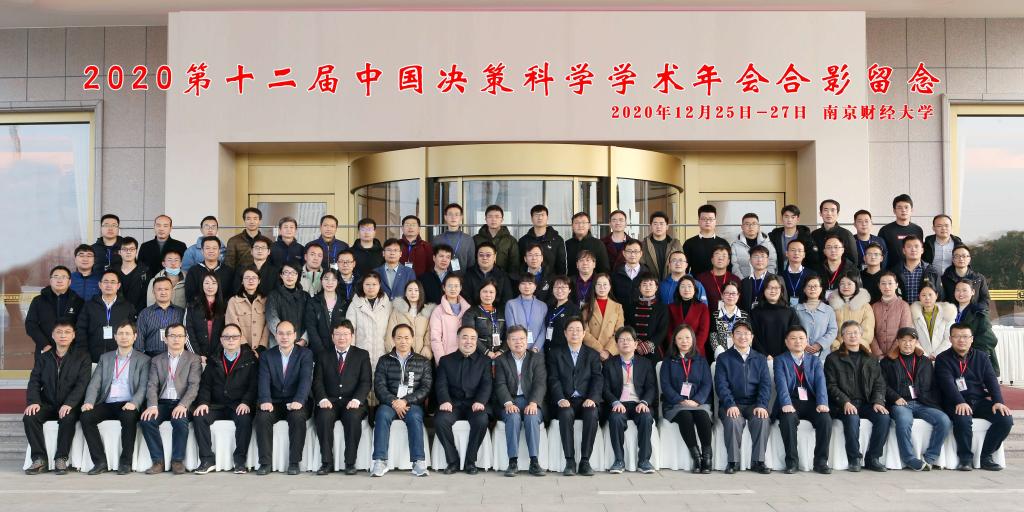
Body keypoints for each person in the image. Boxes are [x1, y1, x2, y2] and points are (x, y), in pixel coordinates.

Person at [935, 323, 1014, 471]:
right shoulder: (942, 358)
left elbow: (991, 380)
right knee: (963, 418)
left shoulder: (982, 357)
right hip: (954, 402)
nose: (961, 340)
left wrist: (998, 401)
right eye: (957, 336)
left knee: (1005, 419)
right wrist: (959, 401)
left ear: (971, 339)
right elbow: (947, 384)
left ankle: (986, 457)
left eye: (965, 336)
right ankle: (965, 459)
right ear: (950, 339)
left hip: (978, 401)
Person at [79, 321, 150, 475]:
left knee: (129, 418)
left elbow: (144, 386)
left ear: (135, 337)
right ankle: (100, 462)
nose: (124, 337)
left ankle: (125, 462)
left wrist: (134, 403)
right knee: (86, 417)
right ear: (115, 337)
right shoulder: (105, 358)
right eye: (120, 334)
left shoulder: (144, 360)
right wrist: (89, 402)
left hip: (128, 403)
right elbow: (95, 383)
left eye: (128, 334)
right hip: (108, 402)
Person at [22, 320, 91, 475]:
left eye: (67, 332)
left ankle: (61, 458)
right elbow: (34, 381)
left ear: (73, 335)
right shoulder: (44, 357)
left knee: (68, 417)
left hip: (70, 405)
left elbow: (82, 384)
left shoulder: (82, 357)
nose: (63, 335)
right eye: (59, 332)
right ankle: (39, 458)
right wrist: (34, 402)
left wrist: (70, 403)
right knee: (30, 417)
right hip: (47, 403)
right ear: (53, 335)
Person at [191, 323, 259, 474]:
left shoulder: (250, 359)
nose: (231, 340)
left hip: (238, 405)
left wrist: (246, 402)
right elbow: (206, 385)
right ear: (221, 340)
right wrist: (203, 403)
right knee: (199, 416)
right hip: (217, 405)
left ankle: (240, 461)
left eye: (234, 337)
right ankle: (207, 460)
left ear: (240, 339)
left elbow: (254, 385)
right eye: (227, 337)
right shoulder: (214, 359)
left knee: (245, 419)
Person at [824, 320, 891, 472]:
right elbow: (830, 385)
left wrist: (878, 401)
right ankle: (854, 458)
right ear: (842, 337)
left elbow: (879, 383)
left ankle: (873, 458)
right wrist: (845, 402)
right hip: (843, 404)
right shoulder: (833, 358)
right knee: (852, 417)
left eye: (855, 332)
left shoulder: (871, 358)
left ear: (861, 335)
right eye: (848, 333)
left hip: (867, 403)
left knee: (884, 417)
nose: (853, 336)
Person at [881, 327, 951, 471]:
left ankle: (930, 457)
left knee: (944, 420)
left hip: (923, 403)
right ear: (897, 342)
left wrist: (931, 401)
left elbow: (934, 384)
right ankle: (909, 458)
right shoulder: (887, 362)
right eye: (903, 340)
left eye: (911, 340)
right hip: (901, 403)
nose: (907, 344)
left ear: (916, 342)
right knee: (904, 421)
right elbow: (882, 384)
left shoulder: (924, 361)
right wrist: (895, 397)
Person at [371, 323, 434, 477]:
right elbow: (379, 386)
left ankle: (418, 462)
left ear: (412, 339)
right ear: (393, 339)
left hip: (412, 404)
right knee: (382, 415)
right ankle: (380, 461)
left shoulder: (423, 361)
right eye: (399, 338)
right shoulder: (384, 360)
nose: (403, 341)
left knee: (415, 416)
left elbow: (425, 388)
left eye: (406, 338)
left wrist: (405, 401)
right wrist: (394, 401)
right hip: (389, 403)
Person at [138, 322, 201, 475]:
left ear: (185, 339)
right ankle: (158, 462)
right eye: (172, 336)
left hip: (182, 402)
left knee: (180, 420)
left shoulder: (193, 359)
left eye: (180, 336)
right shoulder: (156, 360)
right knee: (147, 420)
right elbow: (152, 385)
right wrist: (152, 406)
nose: (176, 339)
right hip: (162, 403)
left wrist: (183, 405)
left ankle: (177, 461)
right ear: (165, 339)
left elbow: (194, 386)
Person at [312, 321, 372, 475]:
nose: (341, 338)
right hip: (329, 401)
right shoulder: (323, 355)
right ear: (332, 337)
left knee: (353, 418)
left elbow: (366, 382)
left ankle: (350, 463)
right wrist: (322, 399)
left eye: (345, 334)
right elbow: (317, 381)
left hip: (352, 402)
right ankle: (326, 463)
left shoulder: (362, 355)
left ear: (352, 336)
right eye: (338, 334)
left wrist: (357, 399)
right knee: (323, 417)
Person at [254, 320, 314, 475]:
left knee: (297, 417)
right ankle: (265, 463)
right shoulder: (267, 355)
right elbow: (263, 380)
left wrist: (299, 400)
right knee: (262, 417)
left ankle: (294, 462)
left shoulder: (305, 354)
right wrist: (265, 400)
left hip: (296, 401)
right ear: (275, 335)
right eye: (281, 333)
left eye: (288, 333)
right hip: (274, 402)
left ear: (295, 335)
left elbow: (306, 379)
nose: (284, 337)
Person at [547, 316, 603, 476]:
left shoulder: (592, 354)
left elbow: (597, 379)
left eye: (578, 330)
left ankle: (585, 461)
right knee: (565, 413)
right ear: (565, 333)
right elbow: (553, 379)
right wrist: (560, 398)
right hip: (566, 400)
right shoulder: (555, 353)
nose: (575, 333)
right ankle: (570, 461)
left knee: (592, 413)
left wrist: (592, 398)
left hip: (586, 399)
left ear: (584, 333)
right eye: (571, 330)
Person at [715, 320, 772, 474]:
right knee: (733, 420)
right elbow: (721, 385)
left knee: (762, 419)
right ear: (732, 336)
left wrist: (762, 405)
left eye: (746, 333)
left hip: (754, 404)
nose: (743, 337)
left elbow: (765, 385)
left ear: (752, 337)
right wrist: (730, 404)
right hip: (732, 403)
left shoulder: (760, 358)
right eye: (738, 333)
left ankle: (758, 461)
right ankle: (733, 462)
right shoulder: (723, 358)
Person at [774, 326, 832, 474]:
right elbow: (781, 384)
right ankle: (792, 462)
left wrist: (822, 403)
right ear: (786, 342)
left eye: (801, 338)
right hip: (791, 401)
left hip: (811, 403)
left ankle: (821, 462)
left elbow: (821, 383)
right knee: (787, 419)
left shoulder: (815, 361)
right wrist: (786, 403)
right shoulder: (780, 360)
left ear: (806, 341)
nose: (798, 341)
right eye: (793, 338)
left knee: (825, 419)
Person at [434, 326, 493, 475]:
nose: (469, 341)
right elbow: (441, 384)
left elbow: (487, 384)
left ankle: (470, 461)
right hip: (452, 404)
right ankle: (452, 461)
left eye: (473, 338)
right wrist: (445, 400)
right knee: (440, 420)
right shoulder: (446, 360)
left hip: (474, 404)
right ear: (458, 339)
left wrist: (480, 401)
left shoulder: (484, 361)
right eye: (465, 337)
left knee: (481, 420)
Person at [602, 327, 657, 473]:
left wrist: (644, 402)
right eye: (621, 340)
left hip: (639, 403)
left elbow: (651, 387)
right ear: (616, 344)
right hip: (619, 404)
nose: (625, 342)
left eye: (629, 340)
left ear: (635, 343)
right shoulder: (609, 364)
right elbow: (605, 389)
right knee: (615, 418)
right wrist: (615, 402)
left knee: (646, 417)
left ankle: (644, 461)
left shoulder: (645, 363)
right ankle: (619, 460)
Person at [661, 323, 714, 473]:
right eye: (680, 338)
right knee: (685, 416)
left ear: (693, 339)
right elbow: (665, 385)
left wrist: (697, 400)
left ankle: (707, 457)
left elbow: (707, 384)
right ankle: (696, 457)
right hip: (676, 404)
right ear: (674, 341)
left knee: (702, 416)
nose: (684, 341)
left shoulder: (701, 360)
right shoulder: (668, 361)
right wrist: (680, 400)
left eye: (687, 337)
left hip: (699, 403)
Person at [495, 326, 547, 477]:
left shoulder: (536, 358)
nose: (518, 342)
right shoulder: (501, 360)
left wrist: (534, 402)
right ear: (508, 342)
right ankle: (513, 462)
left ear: (527, 340)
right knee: (512, 417)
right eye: (514, 339)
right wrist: (508, 403)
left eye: (521, 339)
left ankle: (534, 462)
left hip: (530, 400)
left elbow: (540, 383)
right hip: (511, 400)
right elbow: (500, 384)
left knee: (532, 417)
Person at [77, 270, 137, 363]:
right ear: (100, 285)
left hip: (120, 358)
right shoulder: (89, 306)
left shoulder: (127, 307)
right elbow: (81, 330)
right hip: (93, 357)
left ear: (118, 286)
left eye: (113, 282)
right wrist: (84, 354)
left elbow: (133, 331)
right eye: (105, 281)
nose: (109, 285)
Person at [26, 266, 83, 357]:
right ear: (51, 280)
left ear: (69, 282)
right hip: (45, 350)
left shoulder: (78, 302)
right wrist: (45, 344)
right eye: (56, 277)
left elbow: (81, 327)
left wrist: (72, 346)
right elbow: (30, 325)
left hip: (71, 351)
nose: (59, 280)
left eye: (63, 277)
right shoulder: (38, 301)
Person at [951, 280, 1000, 376]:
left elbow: (990, 339)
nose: (961, 293)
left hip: (975, 363)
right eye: (957, 290)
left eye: (964, 290)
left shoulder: (979, 312)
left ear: (973, 292)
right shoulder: (949, 311)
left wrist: (968, 353)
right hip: (953, 360)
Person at [749, 275, 800, 358]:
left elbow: (795, 335)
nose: (773, 291)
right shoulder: (755, 312)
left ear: (781, 290)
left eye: (776, 288)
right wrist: (765, 355)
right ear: (764, 290)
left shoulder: (790, 311)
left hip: (786, 357)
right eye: (769, 288)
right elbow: (752, 336)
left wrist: (784, 355)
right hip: (761, 357)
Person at [136, 277, 186, 358]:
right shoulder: (145, 313)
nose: (163, 292)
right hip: (151, 358)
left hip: (177, 357)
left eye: (166, 289)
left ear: (172, 291)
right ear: (153, 292)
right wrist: (140, 359)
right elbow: (139, 339)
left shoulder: (181, 312)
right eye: (159, 289)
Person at [384, 280, 434, 361]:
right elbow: (390, 334)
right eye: (410, 290)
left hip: (420, 356)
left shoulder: (427, 312)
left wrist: (427, 346)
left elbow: (429, 333)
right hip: (400, 357)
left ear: (420, 293)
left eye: (416, 290)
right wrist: (394, 354)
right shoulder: (397, 311)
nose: (413, 293)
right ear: (405, 293)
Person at [429, 273, 472, 363]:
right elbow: (435, 339)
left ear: (460, 288)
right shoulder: (438, 311)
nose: (453, 289)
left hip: (467, 359)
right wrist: (442, 361)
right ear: (444, 288)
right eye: (449, 286)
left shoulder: (468, 309)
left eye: (456, 286)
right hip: (447, 358)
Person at [304, 269, 348, 356]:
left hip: (339, 350)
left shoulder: (344, 303)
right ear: (321, 280)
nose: (329, 282)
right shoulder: (313, 302)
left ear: (338, 282)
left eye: (333, 279)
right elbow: (311, 328)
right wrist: (321, 350)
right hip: (318, 351)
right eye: (326, 279)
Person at [828, 271, 875, 351]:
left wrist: (855, 344)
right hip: (836, 349)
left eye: (849, 284)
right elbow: (827, 328)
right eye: (842, 284)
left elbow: (868, 331)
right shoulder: (831, 305)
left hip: (859, 349)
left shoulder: (865, 306)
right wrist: (835, 345)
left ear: (856, 285)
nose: (845, 286)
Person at [626, 273, 668, 363]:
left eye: (651, 284)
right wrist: (636, 344)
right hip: (634, 349)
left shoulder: (662, 308)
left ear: (656, 287)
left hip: (654, 350)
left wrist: (647, 346)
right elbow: (628, 327)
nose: (647, 287)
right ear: (639, 288)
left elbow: (662, 331)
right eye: (644, 284)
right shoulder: (631, 307)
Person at [581, 274, 624, 363]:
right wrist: (600, 350)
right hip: (592, 351)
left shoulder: (617, 307)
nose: (602, 287)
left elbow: (619, 332)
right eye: (599, 284)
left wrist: (608, 350)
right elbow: (584, 332)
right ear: (594, 287)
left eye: (605, 284)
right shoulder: (586, 308)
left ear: (610, 287)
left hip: (612, 353)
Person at [794, 275, 839, 359]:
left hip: (823, 355)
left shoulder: (828, 310)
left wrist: (820, 344)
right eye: (809, 286)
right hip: (800, 353)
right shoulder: (796, 309)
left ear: (821, 289)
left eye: (815, 286)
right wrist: (803, 344)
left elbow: (833, 330)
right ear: (804, 289)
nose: (812, 289)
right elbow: (792, 330)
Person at [225, 267, 269, 353]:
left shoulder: (265, 301)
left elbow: (268, 325)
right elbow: (232, 325)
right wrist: (244, 345)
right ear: (242, 281)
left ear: (259, 281)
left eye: (254, 278)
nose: (250, 280)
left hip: (262, 350)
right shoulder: (234, 301)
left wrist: (262, 346)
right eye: (247, 278)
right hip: (240, 349)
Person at [266, 263, 308, 348]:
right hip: (278, 343)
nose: (290, 276)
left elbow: (310, 320)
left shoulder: (305, 296)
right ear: (281, 275)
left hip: (300, 344)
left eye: (293, 273)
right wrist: (285, 338)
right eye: (286, 272)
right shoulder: (273, 295)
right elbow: (272, 319)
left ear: (298, 275)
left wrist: (304, 339)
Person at [184, 274, 226, 359]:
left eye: (214, 283)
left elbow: (227, 332)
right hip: (196, 356)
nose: (210, 286)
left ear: (218, 285)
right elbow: (188, 332)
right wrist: (197, 355)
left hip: (219, 356)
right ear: (201, 285)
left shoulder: (225, 307)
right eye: (207, 283)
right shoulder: (192, 306)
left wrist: (217, 355)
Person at [667, 276, 710, 358]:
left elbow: (704, 331)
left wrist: (694, 349)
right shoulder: (671, 307)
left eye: (689, 286)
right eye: (683, 286)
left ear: (694, 289)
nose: (686, 289)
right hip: (675, 352)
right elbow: (669, 330)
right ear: (678, 290)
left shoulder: (702, 307)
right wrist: (676, 348)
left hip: (696, 351)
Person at [518, 204, 568, 275]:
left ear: (547, 217)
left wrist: (560, 280)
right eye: (536, 215)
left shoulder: (557, 240)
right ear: (532, 218)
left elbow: (561, 265)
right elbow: (520, 264)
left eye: (542, 215)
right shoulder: (523, 241)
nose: (540, 218)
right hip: (529, 280)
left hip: (551, 280)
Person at [871, 272, 913, 357]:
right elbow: (870, 333)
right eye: (883, 283)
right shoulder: (874, 307)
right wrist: (878, 353)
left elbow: (904, 333)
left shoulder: (904, 306)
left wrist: (891, 354)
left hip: (898, 355)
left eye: (890, 283)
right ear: (879, 286)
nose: (887, 286)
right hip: (876, 356)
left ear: (896, 285)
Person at [462, 280, 508, 358]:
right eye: (485, 291)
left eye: (491, 292)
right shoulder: (471, 312)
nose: (488, 295)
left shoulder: (502, 312)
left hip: (500, 356)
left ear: (496, 294)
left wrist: (501, 351)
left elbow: (509, 334)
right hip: (478, 356)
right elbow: (470, 335)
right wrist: (486, 352)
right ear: (479, 293)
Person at [878, 194, 924, 269]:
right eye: (899, 207)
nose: (903, 210)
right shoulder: (885, 230)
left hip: (914, 271)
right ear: (894, 211)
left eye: (906, 207)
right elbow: (880, 254)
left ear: (912, 210)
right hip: (891, 272)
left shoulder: (918, 230)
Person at [462, 241, 514, 307]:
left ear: (495, 256)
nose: (484, 258)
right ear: (477, 256)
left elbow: (507, 299)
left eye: (488, 255)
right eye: (481, 255)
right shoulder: (468, 274)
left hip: (497, 312)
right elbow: (466, 299)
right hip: (473, 311)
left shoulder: (502, 275)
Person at [184, 236, 234, 304]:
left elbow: (231, 294)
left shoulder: (228, 271)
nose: (211, 251)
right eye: (207, 248)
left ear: (219, 251)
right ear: (202, 251)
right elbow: (190, 295)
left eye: (214, 248)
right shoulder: (193, 271)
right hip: (199, 308)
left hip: (223, 308)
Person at [910, 282, 956, 357]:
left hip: (943, 356)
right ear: (919, 296)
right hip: (921, 357)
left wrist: (936, 355)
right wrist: (924, 355)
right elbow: (913, 338)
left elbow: (949, 338)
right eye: (923, 295)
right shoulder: (913, 314)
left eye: (930, 295)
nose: (927, 298)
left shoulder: (947, 312)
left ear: (936, 295)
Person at [768, 204, 819, 271]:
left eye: (793, 217)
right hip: (778, 273)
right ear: (781, 218)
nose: (789, 220)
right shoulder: (773, 236)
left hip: (800, 273)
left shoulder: (806, 237)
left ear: (798, 219)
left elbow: (813, 259)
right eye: (786, 216)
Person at [506, 273, 549, 352]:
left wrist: (536, 348)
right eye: (523, 283)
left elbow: (543, 330)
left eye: (530, 283)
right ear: (519, 286)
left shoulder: (542, 306)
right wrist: (521, 347)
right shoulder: (511, 304)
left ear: (535, 287)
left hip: (537, 350)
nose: (527, 286)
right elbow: (511, 328)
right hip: (517, 348)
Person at [683, 205, 730, 277]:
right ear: (698, 221)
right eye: (704, 219)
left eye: (711, 219)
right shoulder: (689, 243)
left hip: (719, 282)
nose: (707, 222)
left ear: (715, 221)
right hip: (696, 282)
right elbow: (684, 269)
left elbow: (729, 268)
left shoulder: (723, 243)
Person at [473, 205, 520, 275]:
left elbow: (514, 265)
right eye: (490, 216)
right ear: (485, 219)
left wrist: (508, 279)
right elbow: (473, 262)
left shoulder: (510, 240)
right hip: (480, 278)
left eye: (497, 216)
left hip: (503, 278)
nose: (493, 219)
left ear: (502, 219)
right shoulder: (476, 239)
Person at [941, 245, 991, 310]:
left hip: (974, 314)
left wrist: (974, 311)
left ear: (969, 259)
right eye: (957, 256)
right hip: (952, 314)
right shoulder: (945, 279)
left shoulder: (979, 278)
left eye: (964, 256)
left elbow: (985, 300)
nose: (961, 259)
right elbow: (942, 300)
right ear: (953, 259)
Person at [730, 212, 778, 279]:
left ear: (758, 226)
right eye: (747, 224)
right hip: (743, 282)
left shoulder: (768, 244)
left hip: (765, 282)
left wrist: (767, 280)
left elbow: (772, 264)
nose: (751, 227)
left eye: (754, 224)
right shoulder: (735, 245)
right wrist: (743, 282)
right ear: (742, 227)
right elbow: (734, 266)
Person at [810, 199, 857, 265]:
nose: (829, 213)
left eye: (832, 210)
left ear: (838, 214)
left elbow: (853, 261)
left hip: (841, 271)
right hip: (817, 271)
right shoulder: (814, 234)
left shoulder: (846, 234)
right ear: (820, 213)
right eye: (825, 210)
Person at [708, 281, 748, 359]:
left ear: (738, 295)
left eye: (733, 293)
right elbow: (713, 336)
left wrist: (742, 352)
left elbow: (748, 336)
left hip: (741, 356)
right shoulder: (715, 315)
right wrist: (720, 353)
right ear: (722, 295)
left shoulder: (744, 315)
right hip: (721, 356)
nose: (730, 296)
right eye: (727, 293)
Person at [898, 235, 943, 303]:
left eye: (916, 246)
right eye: (909, 246)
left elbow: (940, 296)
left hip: (924, 309)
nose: (913, 249)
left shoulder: (932, 272)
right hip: (902, 309)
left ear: (922, 250)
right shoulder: (895, 271)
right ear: (904, 251)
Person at [695, 245, 742, 310]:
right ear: (712, 260)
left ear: (728, 261)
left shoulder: (735, 279)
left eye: (724, 256)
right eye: (717, 255)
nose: (720, 258)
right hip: (706, 315)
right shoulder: (701, 278)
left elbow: (740, 303)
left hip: (730, 315)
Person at [543, 275, 581, 354]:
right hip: (547, 350)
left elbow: (577, 334)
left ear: (569, 290)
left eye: (563, 287)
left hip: (564, 353)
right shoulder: (549, 308)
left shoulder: (574, 310)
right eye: (556, 287)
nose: (559, 290)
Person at [566, 212, 610, 277]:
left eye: (584, 222)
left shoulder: (598, 244)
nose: (580, 225)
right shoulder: (567, 244)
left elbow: (604, 269)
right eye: (577, 223)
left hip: (593, 282)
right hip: (571, 282)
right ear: (572, 226)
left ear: (589, 226)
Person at [644, 211, 686, 279]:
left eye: (661, 224)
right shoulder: (644, 244)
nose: (658, 226)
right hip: (650, 282)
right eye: (655, 224)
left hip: (671, 282)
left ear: (667, 226)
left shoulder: (676, 244)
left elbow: (682, 264)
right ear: (650, 226)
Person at [436, 203, 476, 273]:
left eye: (456, 214)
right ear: (445, 217)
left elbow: (471, 263)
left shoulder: (468, 239)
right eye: (450, 214)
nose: (453, 217)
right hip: (441, 278)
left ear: (461, 218)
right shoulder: (437, 239)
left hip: (463, 278)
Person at [610, 238, 648, 310]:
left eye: (636, 251)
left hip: (642, 313)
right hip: (620, 313)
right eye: (629, 251)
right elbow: (612, 296)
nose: (632, 254)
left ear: (641, 253)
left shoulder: (647, 274)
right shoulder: (615, 273)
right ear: (624, 253)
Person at [116, 237, 150, 311]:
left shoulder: (145, 272)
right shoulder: (113, 272)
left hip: (138, 314)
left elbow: (146, 297)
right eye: (125, 249)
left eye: (132, 249)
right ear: (119, 252)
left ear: (136, 251)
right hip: (116, 313)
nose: (128, 252)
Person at [781, 239, 818, 305]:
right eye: (793, 250)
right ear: (786, 253)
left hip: (806, 308)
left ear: (804, 255)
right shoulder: (780, 275)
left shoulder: (812, 275)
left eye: (799, 250)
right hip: (785, 309)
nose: (796, 253)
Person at [816, 233, 853, 300]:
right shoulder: (816, 270)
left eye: (836, 247)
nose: (833, 250)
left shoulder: (852, 270)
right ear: (824, 251)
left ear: (842, 250)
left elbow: (857, 293)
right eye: (829, 247)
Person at [739, 245, 773, 311]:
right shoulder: (744, 282)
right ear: (750, 260)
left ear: (768, 260)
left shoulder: (776, 280)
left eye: (762, 256)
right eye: (755, 256)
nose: (759, 260)